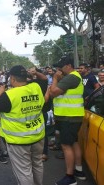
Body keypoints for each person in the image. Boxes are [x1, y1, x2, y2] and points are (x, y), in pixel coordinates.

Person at [0, 65, 47, 185]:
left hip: (19, 141)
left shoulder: (9, 95)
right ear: (26, 77)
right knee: (37, 164)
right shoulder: (36, 86)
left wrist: (0, 92)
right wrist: (34, 73)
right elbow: (44, 79)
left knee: (24, 171)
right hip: (38, 136)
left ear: (12, 78)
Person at [50, 55, 86, 185]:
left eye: (61, 66)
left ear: (69, 66)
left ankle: (70, 177)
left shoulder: (71, 77)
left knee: (66, 145)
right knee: (74, 142)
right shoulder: (72, 77)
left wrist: (54, 79)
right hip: (71, 116)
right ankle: (79, 170)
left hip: (68, 117)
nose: (59, 69)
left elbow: (53, 92)